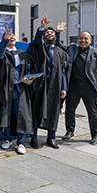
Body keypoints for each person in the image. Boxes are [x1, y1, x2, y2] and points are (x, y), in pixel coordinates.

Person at [55, 24, 97, 145]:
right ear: (77, 40)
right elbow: (57, 45)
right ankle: (69, 131)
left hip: (89, 86)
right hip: (73, 86)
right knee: (70, 110)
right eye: (80, 38)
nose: (83, 40)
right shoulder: (72, 48)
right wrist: (57, 33)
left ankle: (95, 135)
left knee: (92, 111)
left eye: (85, 38)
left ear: (90, 40)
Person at [27, 15, 71, 149]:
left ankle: (51, 138)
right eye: (47, 33)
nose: (49, 34)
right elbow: (35, 41)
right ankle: (33, 137)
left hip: (55, 86)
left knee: (53, 112)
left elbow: (63, 71)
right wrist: (41, 28)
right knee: (36, 111)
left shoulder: (60, 52)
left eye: (52, 33)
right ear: (44, 36)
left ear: (55, 37)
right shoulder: (38, 47)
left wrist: (64, 88)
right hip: (40, 85)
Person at [0, 26, 34, 155]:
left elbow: (28, 69)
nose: (12, 37)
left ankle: (21, 142)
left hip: (20, 89)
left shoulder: (23, 54)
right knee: (6, 115)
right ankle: (8, 138)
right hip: (6, 89)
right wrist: (4, 41)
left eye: (13, 35)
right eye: (9, 36)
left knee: (21, 115)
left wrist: (29, 78)